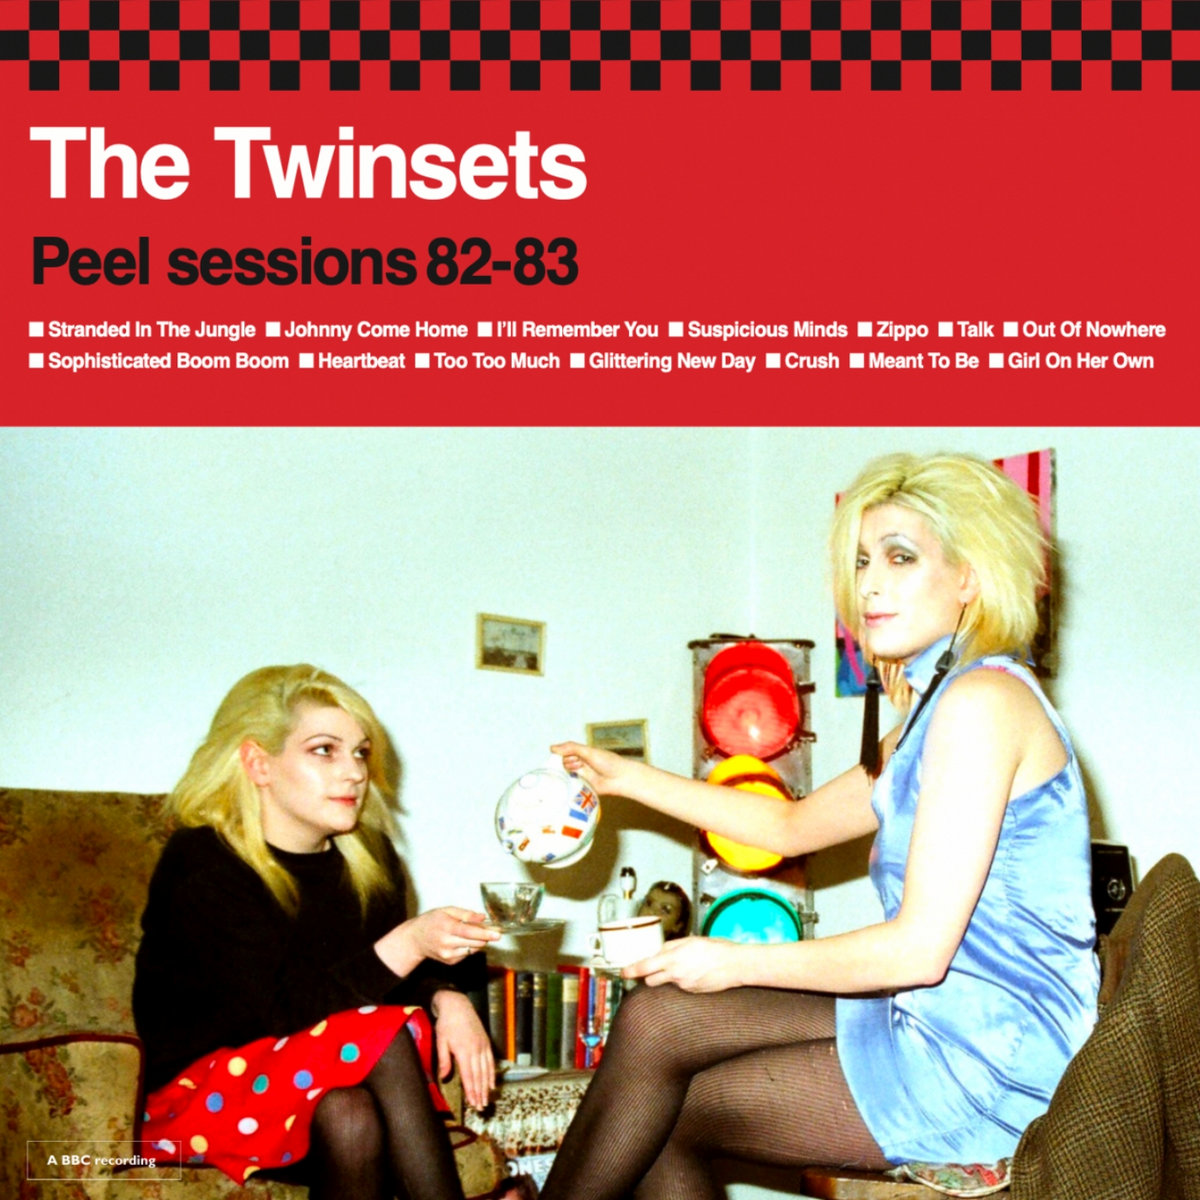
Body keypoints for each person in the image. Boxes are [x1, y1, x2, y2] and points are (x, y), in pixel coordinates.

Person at [539, 452, 1099, 1200]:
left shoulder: (982, 706)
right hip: (929, 1015)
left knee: (666, 1113)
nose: (868, 585)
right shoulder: (938, 710)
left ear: (970, 577)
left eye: (900, 557)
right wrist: (627, 779)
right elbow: (788, 825)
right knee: (657, 1020)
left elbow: (918, 949)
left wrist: (734, 960)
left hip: (990, 1057)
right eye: (862, 561)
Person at [133, 663, 502, 1200]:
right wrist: (407, 943)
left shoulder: (370, 860)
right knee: (381, 1035)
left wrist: (448, 998)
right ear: (258, 763)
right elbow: (275, 1016)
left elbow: (373, 986)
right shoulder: (205, 862)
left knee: (349, 1113)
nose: (354, 772)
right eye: (324, 750)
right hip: (199, 1101)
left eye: (360, 752)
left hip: (312, 1096)